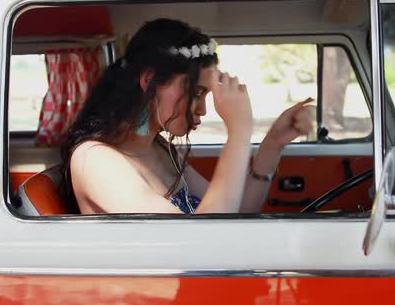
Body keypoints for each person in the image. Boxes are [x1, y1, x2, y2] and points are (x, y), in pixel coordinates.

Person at [59, 18, 313, 214]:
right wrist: (238, 133)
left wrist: (273, 144)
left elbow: (239, 212)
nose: (202, 109)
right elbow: (196, 245)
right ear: (149, 81)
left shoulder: (162, 150)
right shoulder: (94, 159)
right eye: (196, 93)